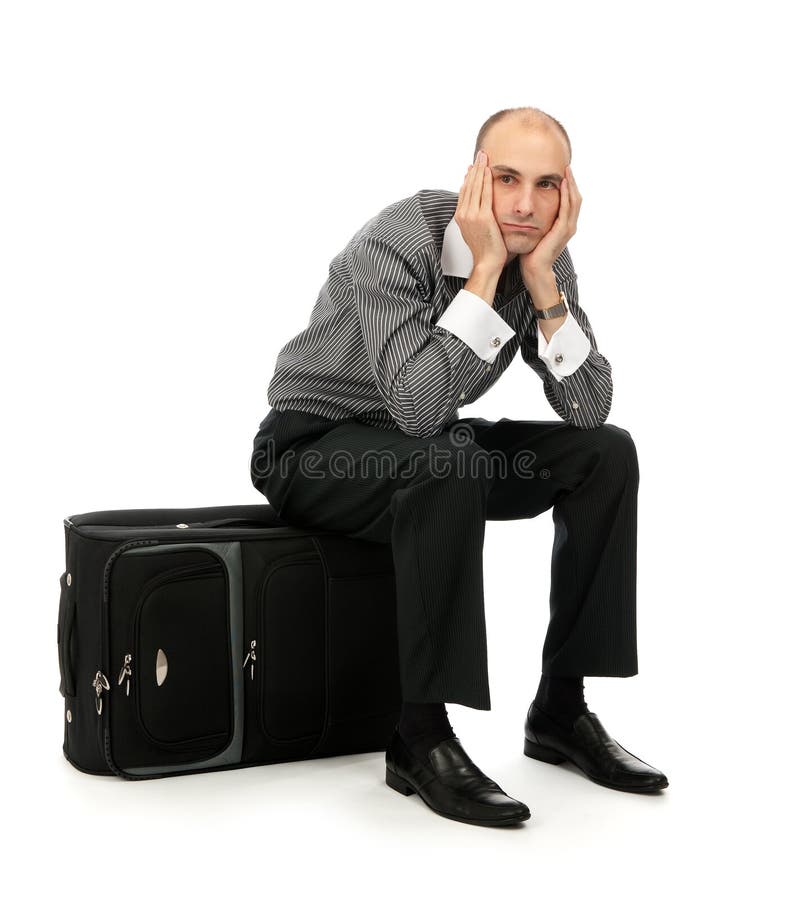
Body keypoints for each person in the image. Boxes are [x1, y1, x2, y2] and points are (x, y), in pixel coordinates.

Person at [250, 105, 668, 828]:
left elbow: (589, 406)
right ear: (474, 177)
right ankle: (419, 737)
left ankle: (561, 711)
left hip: (429, 452)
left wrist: (540, 279)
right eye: (506, 179)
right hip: (313, 449)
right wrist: (485, 274)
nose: (526, 204)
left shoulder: (543, 255)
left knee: (605, 454)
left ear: (567, 195)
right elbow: (412, 406)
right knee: (445, 458)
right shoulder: (397, 240)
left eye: (546, 186)